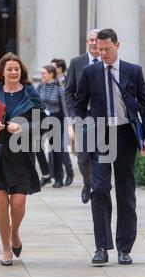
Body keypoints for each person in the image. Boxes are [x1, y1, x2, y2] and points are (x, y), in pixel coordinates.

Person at [74, 29, 145, 266]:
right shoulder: (90, 72)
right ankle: (101, 247)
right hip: (100, 135)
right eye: (99, 49)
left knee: (125, 192)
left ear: (118, 45)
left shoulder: (133, 71)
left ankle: (124, 248)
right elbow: (79, 106)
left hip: (125, 135)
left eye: (107, 49)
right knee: (99, 189)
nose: (103, 54)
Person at [0, 53, 46, 266]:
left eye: (17, 69)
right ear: (2, 72)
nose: (14, 72)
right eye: (10, 69)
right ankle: (5, 247)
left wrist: (23, 127)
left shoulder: (30, 93)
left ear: (21, 71)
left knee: (19, 203)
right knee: (1, 203)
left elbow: (43, 122)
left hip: (21, 154)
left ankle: (15, 233)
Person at [66, 28, 101, 203]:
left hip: (102, 117)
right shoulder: (76, 62)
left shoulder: (108, 61)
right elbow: (69, 91)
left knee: (102, 154)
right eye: (91, 40)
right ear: (87, 42)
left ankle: (99, 186)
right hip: (82, 116)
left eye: (97, 39)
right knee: (83, 157)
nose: (94, 43)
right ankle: (88, 183)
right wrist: (73, 116)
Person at [35, 65, 73, 188]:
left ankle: (58, 178)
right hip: (41, 119)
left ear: (51, 74)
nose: (42, 76)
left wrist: (69, 125)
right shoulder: (39, 87)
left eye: (44, 73)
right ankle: (46, 174)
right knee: (37, 146)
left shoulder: (59, 89)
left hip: (56, 119)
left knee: (56, 149)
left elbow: (65, 108)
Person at [51, 58, 74, 186]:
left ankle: (69, 173)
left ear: (59, 68)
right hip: (55, 119)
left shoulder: (67, 80)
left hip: (66, 118)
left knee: (62, 148)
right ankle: (56, 175)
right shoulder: (51, 82)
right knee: (54, 148)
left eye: (53, 67)